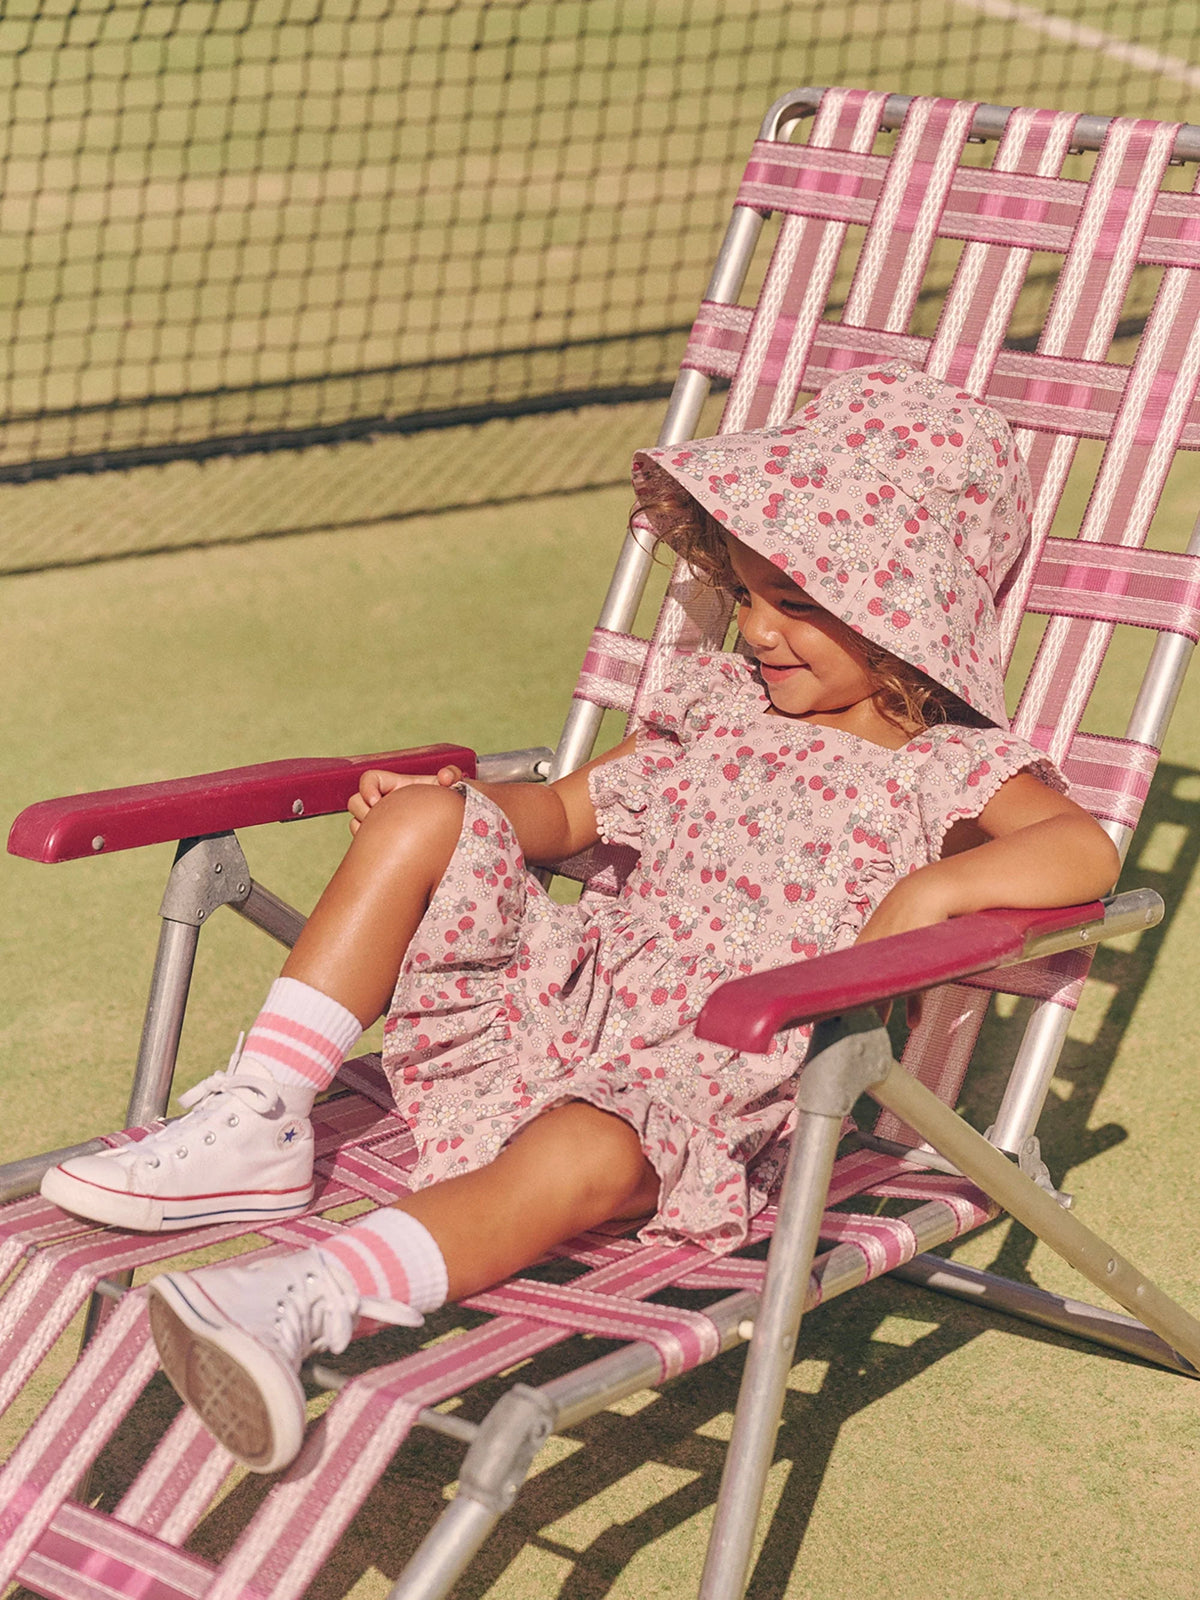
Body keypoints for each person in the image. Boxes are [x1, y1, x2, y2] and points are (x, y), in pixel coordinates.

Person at [40, 361, 1120, 1472]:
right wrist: (455, 811)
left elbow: (1085, 847)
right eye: (747, 593)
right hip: (573, 994)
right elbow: (562, 812)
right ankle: (262, 1113)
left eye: (798, 604)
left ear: (902, 622)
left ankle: (305, 1296)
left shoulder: (948, 768)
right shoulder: (718, 710)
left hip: (709, 1068)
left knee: (584, 1155)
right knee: (423, 823)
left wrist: (936, 887)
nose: (757, 630)